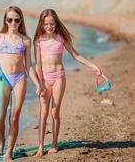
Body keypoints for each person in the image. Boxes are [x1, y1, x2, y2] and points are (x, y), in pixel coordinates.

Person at [0, 6, 43, 161]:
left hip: (20, 79)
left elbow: (29, 66)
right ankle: (2, 141)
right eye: (10, 19)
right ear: (5, 20)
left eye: (17, 20)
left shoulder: (26, 40)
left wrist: (38, 84)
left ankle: (9, 152)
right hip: (4, 79)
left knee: (14, 118)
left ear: (20, 21)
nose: (13, 23)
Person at [33, 9, 102, 156]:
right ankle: (40, 146)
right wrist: (39, 84)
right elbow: (37, 64)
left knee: (55, 111)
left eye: (51, 23)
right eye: (46, 24)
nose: (49, 26)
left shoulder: (61, 38)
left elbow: (76, 55)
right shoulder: (38, 40)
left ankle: (54, 143)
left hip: (59, 77)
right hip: (45, 79)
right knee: (43, 112)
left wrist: (93, 67)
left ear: (56, 23)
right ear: (42, 24)